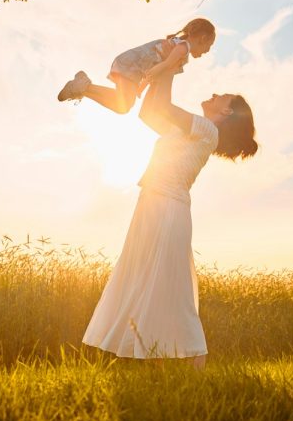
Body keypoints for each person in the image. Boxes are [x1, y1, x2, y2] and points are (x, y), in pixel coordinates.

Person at [80, 65, 257, 369]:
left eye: (221, 96)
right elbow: (149, 112)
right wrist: (163, 71)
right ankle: (155, 364)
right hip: (153, 205)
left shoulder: (206, 129)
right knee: (147, 284)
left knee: (173, 294)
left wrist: (172, 66)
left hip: (166, 209)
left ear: (227, 112)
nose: (214, 95)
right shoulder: (192, 128)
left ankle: (195, 374)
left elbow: (159, 106)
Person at [57, 18, 216, 113]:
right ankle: (83, 86)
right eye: (208, 46)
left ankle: (81, 88)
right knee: (124, 105)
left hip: (131, 65)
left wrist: (140, 88)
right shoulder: (183, 48)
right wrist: (147, 81)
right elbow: (163, 66)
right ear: (203, 38)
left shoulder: (177, 45)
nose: (206, 51)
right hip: (132, 66)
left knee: (123, 106)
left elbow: (154, 72)